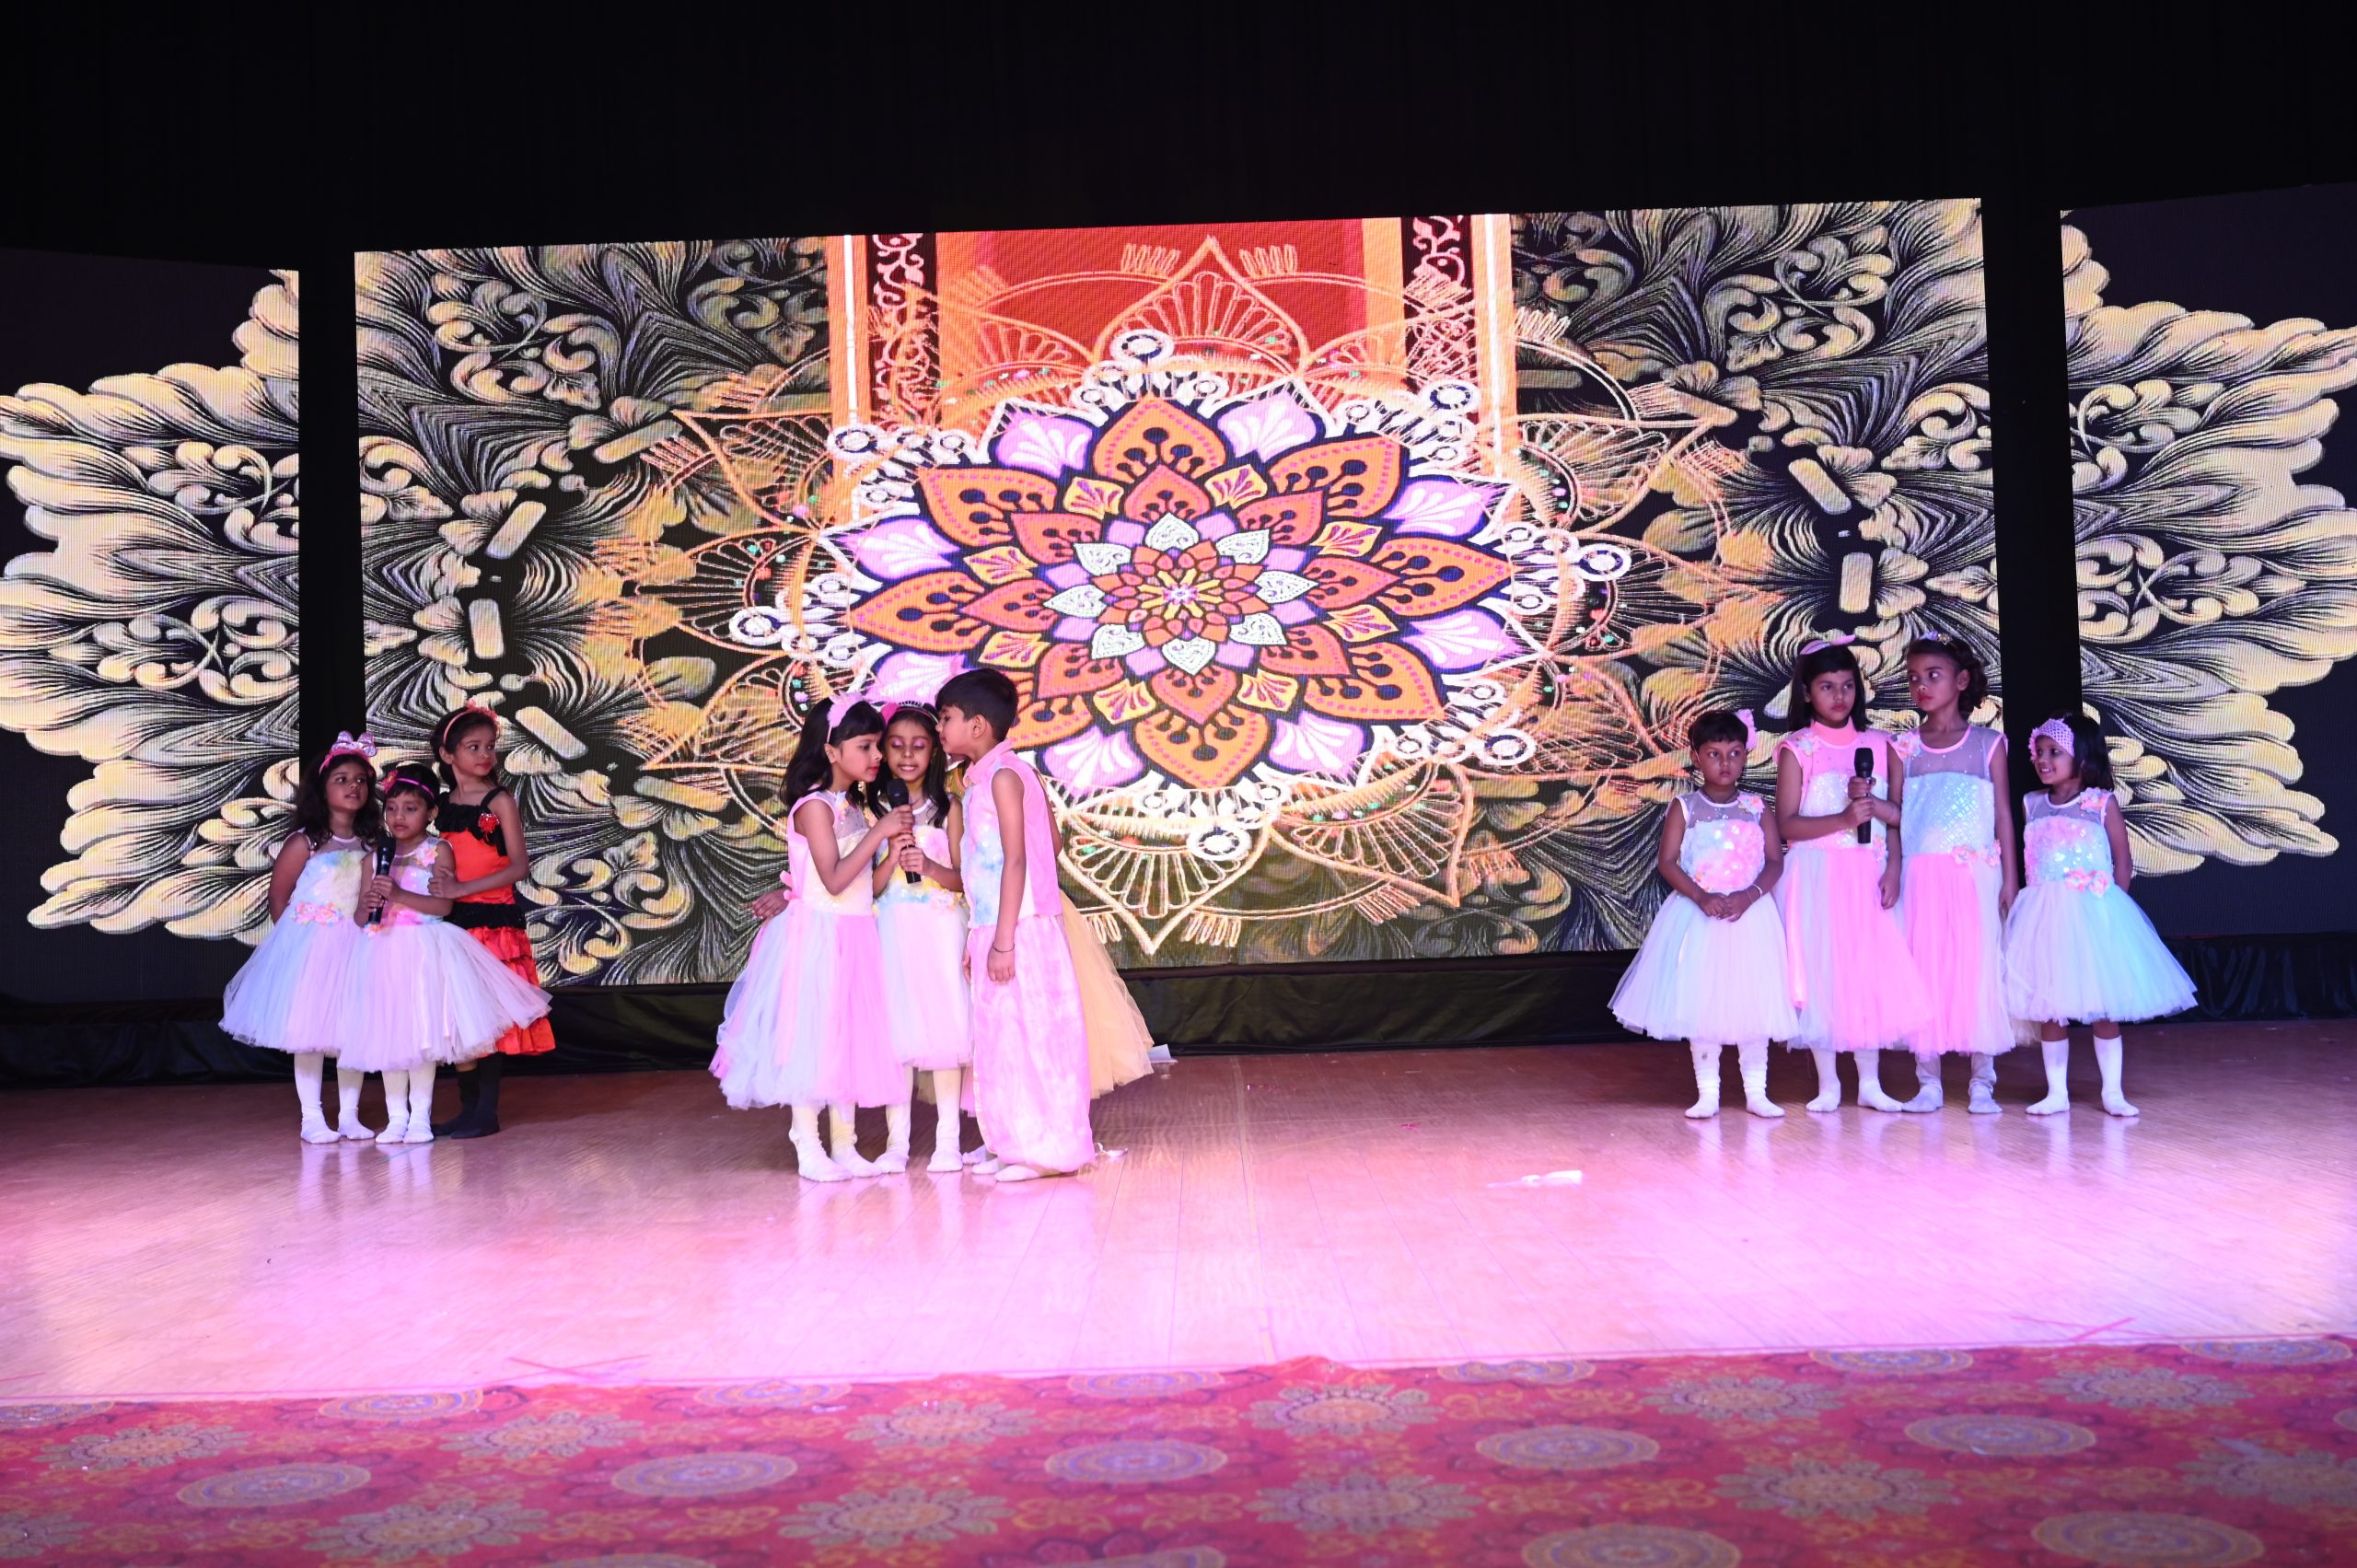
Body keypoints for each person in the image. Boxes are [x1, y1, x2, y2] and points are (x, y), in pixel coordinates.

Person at [714, 695, 911, 1180]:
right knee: (812, 1040)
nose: (877, 756)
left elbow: (866, 887)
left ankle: (846, 1145)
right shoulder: (814, 808)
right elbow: (835, 879)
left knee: (847, 1040)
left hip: (856, 935)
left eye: (877, 745)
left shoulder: (853, 807)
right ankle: (808, 1146)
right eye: (865, 746)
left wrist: (891, 855)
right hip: (818, 937)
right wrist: (879, 833)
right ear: (831, 751)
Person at [936, 668, 1094, 1181]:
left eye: (946, 718)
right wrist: (980, 933)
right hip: (996, 924)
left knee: (1035, 1036)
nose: (940, 729)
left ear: (977, 725)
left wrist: (1004, 939)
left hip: (1020, 928)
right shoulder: (984, 780)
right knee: (1001, 1038)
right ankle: (1012, 1141)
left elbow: (1018, 858)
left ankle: (1046, 1151)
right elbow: (1051, 842)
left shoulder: (1006, 776)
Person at [2004, 711, 2196, 1116]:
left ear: (2083, 756)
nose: (2042, 760)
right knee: (2050, 1005)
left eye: (2054, 752)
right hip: (2044, 920)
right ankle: (2056, 1092)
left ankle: (2112, 1092)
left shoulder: (2100, 803)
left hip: (2093, 916)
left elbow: (2122, 862)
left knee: (2103, 1006)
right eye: (2039, 752)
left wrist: (2112, 908)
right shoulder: (2031, 804)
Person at [348, 765, 552, 1143]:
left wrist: (399, 895)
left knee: (426, 1034)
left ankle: (421, 1119)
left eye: (410, 808)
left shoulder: (438, 849)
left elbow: (443, 906)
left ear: (431, 813)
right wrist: (369, 905)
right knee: (391, 1034)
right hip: (383, 952)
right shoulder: (375, 858)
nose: (398, 817)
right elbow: (361, 916)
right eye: (391, 808)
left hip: (424, 951)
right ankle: (397, 1119)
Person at [1610, 709, 1794, 1118]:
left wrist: (1749, 895)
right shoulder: (1685, 806)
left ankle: (1757, 1092)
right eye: (1714, 754)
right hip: (1700, 916)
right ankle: (1708, 1092)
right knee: (1702, 1003)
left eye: (1734, 753)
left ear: (1745, 756)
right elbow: (1668, 862)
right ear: (1696, 757)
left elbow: (1774, 861)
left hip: (1750, 917)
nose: (1725, 763)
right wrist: (1700, 896)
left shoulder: (1756, 807)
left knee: (1755, 1000)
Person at [1773, 637, 1931, 1111]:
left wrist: (1894, 866)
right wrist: (1843, 819)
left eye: (1846, 686)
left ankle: (1870, 1084)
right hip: (1817, 874)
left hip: (1869, 872)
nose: (1839, 696)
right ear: (1807, 694)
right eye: (1827, 687)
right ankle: (1828, 1084)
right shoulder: (1798, 748)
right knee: (1823, 974)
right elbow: (1787, 824)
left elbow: (1900, 816)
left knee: (1867, 974)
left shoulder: (1881, 745)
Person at [220, 733, 382, 1143]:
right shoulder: (305, 841)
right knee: (307, 1033)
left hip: (357, 942)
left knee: (352, 1030)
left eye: (360, 780)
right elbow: (279, 897)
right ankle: (312, 1118)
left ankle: (349, 1115)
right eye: (342, 780)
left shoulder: (371, 843)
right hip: (312, 945)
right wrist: (292, 945)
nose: (353, 787)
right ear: (322, 789)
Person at [1893, 637, 2023, 1113]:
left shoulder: (1988, 744)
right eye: (1914, 678)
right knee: (1924, 968)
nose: (1921, 686)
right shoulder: (1904, 747)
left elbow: (2004, 814)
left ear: (1961, 681)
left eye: (1933, 675)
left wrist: (2010, 877)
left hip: (1975, 875)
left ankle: (1982, 1081)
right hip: (1921, 875)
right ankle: (1927, 1080)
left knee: (1976, 968)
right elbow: (1897, 815)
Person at [424, 704, 552, 1138]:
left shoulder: (499, 800)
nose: (485, 755)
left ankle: (486, 1112)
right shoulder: (441, 806)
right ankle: (468, 1109)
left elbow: (519, 866)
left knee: (491, 1015)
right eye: (473, 747)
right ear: (447, 755)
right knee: (463, 1015)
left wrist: (462, 888)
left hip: (494, 920)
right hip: (454, 922)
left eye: (490, 747)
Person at [869, 702, 972, 1173]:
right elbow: (865, 886)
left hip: (940, 929)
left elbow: (965, 878)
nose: (907, 756)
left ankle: (948, 1140)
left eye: (918, 746)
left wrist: (928, 866)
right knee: (898, 1033)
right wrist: (891, 855)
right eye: (896, 746)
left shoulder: (949, 808)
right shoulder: (870, 808)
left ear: (934, 752)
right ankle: (897, 1143)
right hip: (891, 931)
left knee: (945, 1030)